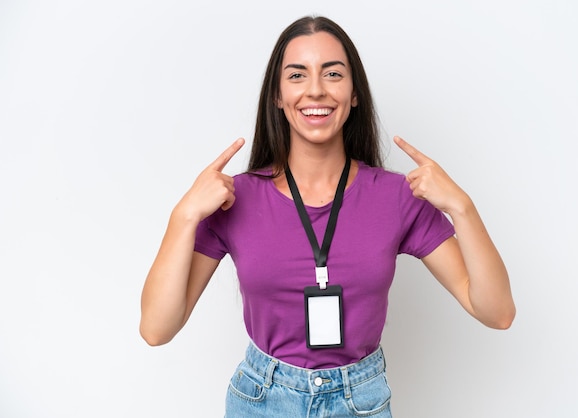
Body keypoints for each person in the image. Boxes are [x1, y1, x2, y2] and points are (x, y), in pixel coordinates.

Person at [140, 15, 515, 417]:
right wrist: (183, 216)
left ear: (354, 93)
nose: (315, 90)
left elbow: (496, 312)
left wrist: (463, 208)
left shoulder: (397, 197)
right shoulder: (234, 199)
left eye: (332, 73)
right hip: (261, 402)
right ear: (278, 97)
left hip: (360, 402)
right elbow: (157, 329)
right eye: (297, 75)